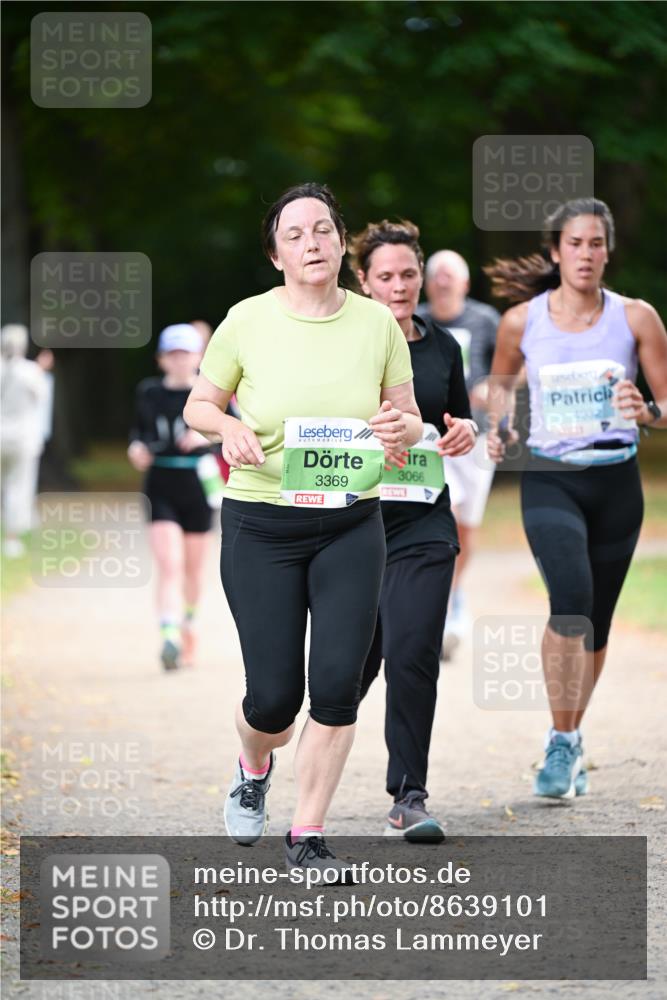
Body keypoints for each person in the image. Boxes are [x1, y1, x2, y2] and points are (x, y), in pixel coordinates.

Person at [183, 183, 421, 878]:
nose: (312, 243)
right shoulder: (246, 321)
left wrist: (399, 430)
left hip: (350, 523)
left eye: (323, 230)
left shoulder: (375, 323)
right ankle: (253, 763)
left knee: (337, 687)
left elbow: (406, 418)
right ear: (275, 253)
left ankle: (307, 837)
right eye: (295, 234)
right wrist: (227, 425)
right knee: (274, 699)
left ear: (340, 241)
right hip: (261, 525)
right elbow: (201, 402)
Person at [486, 197, 667, 800]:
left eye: (596, 244)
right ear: (556, 251)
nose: (585, 254)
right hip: (550, 477)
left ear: (607, 250)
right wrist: (500, 426)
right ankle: (560, 744)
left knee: (598, 622)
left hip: (616, 482)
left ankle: (571, 733)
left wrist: (649, 410)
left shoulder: (637, 318)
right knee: (572, 601)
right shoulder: (521, 321)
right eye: (575, 244)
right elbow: (500, 387)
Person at [351, 220, 477, 841]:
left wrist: (464, 433)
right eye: (385, 277)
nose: (399, 287)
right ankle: (264, 759)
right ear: (362, 282)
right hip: (351, 526)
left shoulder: (443, 346)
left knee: (412, 652)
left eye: (408, 275)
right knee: (343, 677)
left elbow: (459, 421)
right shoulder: (340, 343)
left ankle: (409, 794)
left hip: (424, 522)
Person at [418, 251, 500, 658]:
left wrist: (492, 396)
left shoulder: (485, 320)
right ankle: (440, 604)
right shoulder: (414, 321)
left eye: (451, 276)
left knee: (467, 526)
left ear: (465, 285)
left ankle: (454, 592)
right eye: (437, 276)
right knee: (444, 514)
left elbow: (509, 374)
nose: (444, 282)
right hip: (431, 437)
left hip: (477, 438)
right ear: (428, 284)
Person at [128, 323, 217, 672]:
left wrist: (206, 437)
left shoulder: (212, 396)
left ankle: (189, 626)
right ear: (162, 359)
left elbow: (235, 433)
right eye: (173, 354)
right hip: (160, 482)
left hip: (198, 483)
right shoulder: (149, 392)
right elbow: (139, 433)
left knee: (193, 569)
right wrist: (136, 449)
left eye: (187, 353)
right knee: (169, 565)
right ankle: (168, 636)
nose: (180, 360)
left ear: (199, 357)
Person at [0, 324, 53, 558]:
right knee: (19, 486)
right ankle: (12, 538)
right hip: (22, 438)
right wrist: (43, 369)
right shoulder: (31, 371)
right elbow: (41, 398)